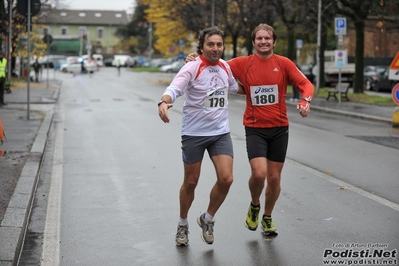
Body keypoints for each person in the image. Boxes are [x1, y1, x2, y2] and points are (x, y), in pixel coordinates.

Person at [187, 23, 314, 236]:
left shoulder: (284, 63)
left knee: (274, 178)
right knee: (259, 173)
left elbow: (306, 85)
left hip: (280, 128)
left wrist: (305, 101)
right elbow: (214, 64)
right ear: (253, 42)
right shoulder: (243, 63)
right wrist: (194, 58)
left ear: (274, 42)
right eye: (259, 39)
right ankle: (255, 205)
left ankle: (267, 217)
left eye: (267, 38)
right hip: (255, 128)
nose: (263, 42)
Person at [158, 26, 243, 246]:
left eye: (219, 45)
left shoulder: (225, 67)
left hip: (220, 133)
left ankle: (207, 219)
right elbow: (174, 88)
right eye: (210, 44)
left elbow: (237, 87)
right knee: (191, 182)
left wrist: (264, 85)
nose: (215, 49)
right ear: (202, 46)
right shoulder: (192, 67)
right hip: (194, 133)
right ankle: (183, 224)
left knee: (227, 179)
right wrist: (164, 101)